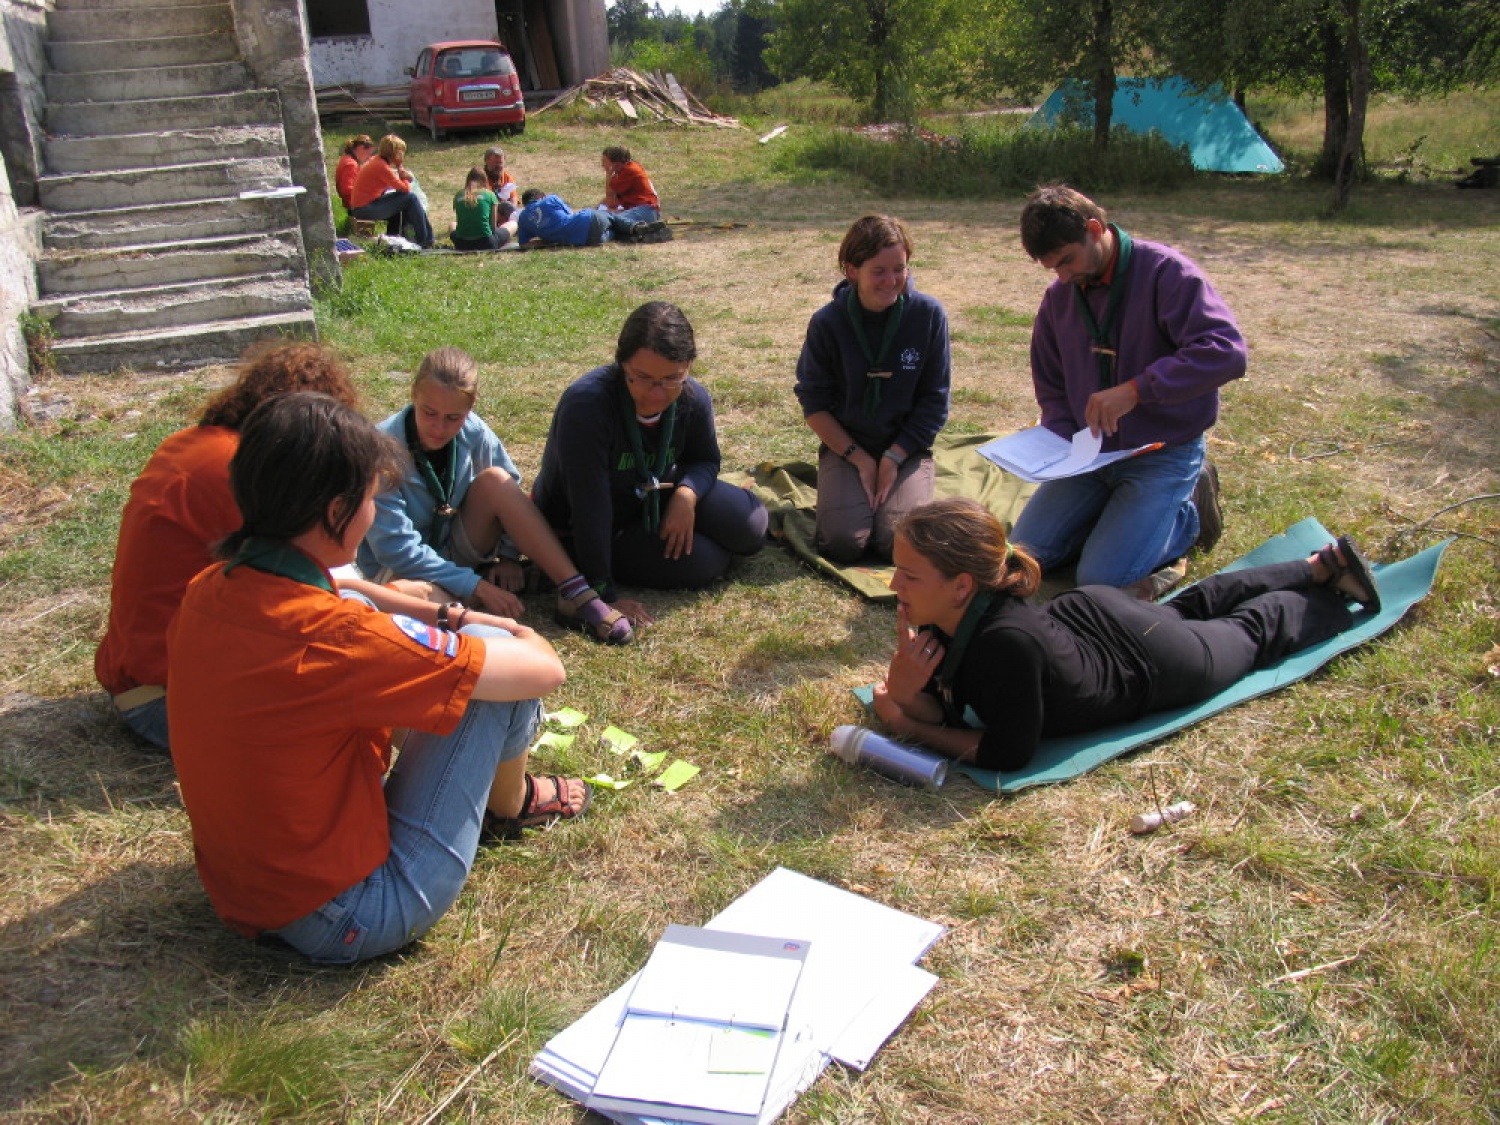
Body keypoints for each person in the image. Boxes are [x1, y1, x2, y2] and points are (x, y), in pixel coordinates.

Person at [168, 392, 587, 964]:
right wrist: (484, 623)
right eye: (372, 498)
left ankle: (506, 800)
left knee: (466, 664)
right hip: (354, 913)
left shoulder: (210, 587)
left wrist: (385, 596)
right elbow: (545, 668)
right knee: (494, 670)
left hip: (246, 890)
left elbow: (341, 604)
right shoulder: (334, 636)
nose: (373, 513)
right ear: (337, 510)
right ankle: (509, 806)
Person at [873, 499, 1379, 773]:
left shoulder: (1005, 644)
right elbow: (937, 704)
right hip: (1098, 613)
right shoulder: (945, 611)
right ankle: (1314, 565)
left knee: (1248, 631)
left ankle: (1334, 590)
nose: (896, 585)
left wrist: (907, 725)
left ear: (962, 585)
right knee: (1193, 604)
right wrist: (903, 688)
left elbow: (1007, 753)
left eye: (909, 574)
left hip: (1155, 661)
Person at [95, 342, 362, 752]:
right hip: (169, 700)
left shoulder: (190, 444)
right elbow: (313, 596)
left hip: (139, 680)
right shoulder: (240, 472)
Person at [1009, 184, 1246, 600]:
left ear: (1095, 229)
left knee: (1100, 581)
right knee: (1022, 558)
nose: (1063, 277)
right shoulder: (1060, 297)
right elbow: (1051, 383)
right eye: (1053, 269)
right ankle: (1117, 520)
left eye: (1068, 260)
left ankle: (1187, 517)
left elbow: (1226, 352)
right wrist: (1063, 446)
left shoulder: (1166, 273)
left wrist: (1138, 390)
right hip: (1090, 457)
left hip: (1161, 452)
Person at [358, 347, 633, 645]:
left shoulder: (475, 431)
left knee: (496, 481)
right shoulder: (381, 447)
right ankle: (470, 614)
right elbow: (397, 551)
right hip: (402, 572)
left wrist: (508, 555)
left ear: (471, 406)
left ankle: (578, 593)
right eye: (429, 412)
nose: (438, 428)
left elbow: (509, 490)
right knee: (421, 607)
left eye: (453, 417)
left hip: (454, 550)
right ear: (413, 394)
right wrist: (477, 585)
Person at [531, 301, 768, 624]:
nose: (656, 394)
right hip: (597, 523)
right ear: (621, 363)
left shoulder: (692, 397)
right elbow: (589, 506)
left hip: (653, 494)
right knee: (706, 564)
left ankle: (677, 528)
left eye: (672, 378)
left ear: (689, 367)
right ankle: (616, 555)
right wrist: (604, 594)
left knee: (750, 526)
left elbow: (706, 460)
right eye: (641, 378)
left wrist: (686, 495)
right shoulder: (587, 406)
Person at [793, 214, 951, 564]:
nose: (891, 280)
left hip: (906, 447)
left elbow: (935, 401)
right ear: (852, 270)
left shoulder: (928, 315)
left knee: (897, 542)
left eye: (900, 269)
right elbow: (813, 402)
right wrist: (860, 459)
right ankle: (847, 491)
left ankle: (908, 487)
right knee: (843, 543)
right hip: (849, 447)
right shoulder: (828, 322)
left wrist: (894, 457)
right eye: (878, 271)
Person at [349, 133, 434, 248]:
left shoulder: (377, 161)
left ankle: (403, 236)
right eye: (401, 152)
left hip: (362, 206)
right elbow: (406, 189)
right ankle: (425, 239)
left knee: (404, 199)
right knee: (410, 198)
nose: (402, 155)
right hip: (364, 209)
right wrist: (402, 170)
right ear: (394, 152)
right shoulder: (382, 167)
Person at [515, 188, 663, 248]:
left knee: (615, 234)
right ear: (541, 197)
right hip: (587, 221)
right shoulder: (550, 200)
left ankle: (634, 236)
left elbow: (524, 245)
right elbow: (569, 215)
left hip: (584, 241)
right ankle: (636, 227)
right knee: (610, 216)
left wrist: (546, 239)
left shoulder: (522, 218)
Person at [451, 167, 511, 252]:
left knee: (452, 224)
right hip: (486, 242)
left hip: (461, 243)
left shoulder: (458, 195)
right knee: (512, 224)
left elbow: (459, 221)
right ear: (484, 180)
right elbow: (493, 227)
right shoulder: (490, 195)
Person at [599, 145, 660, 224]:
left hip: (645, 210)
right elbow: (612, 203)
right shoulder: (624, 171)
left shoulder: (629, 171)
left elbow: (610, 202)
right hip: (643, 210)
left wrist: (608, 174)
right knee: (604, 216)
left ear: (615, 163)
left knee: (609, 221)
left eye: (604, 161)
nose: (602, 165)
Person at [335, 134, 375, 210]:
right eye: (369, 154)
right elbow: (347, 190)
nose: (369, 158)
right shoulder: (351, 164)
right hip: (356, 206)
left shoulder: (346, 158)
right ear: (361, 148)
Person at [482, 146, 520, 217]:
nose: (499, 166)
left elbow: (513, 199)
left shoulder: (507, 177)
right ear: (486, 161)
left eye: (501, 162)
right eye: (496, 162)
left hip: (504, 215)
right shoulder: (479, 178)